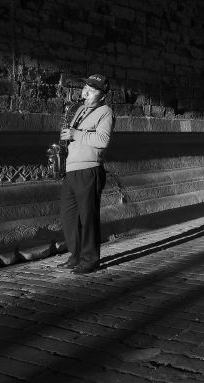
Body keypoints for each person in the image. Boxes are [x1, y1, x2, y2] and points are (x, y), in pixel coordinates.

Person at [57, 74, 115, 274]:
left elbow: (102, 140)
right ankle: (76, 255)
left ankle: (89, 259)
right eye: (85, 88)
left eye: (92, 90)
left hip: (89, 169)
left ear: (102, 95)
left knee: (88, 218)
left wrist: (76, 134)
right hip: (71, 169)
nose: (86, 92)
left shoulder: (105, 112)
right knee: (69, 216)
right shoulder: (80, 109)